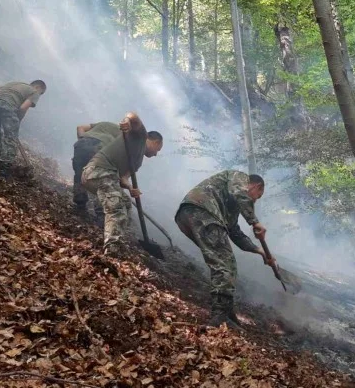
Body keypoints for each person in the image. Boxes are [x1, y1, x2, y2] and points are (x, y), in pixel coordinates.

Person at [174, 170, 273, 329]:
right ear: (256, 186)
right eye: (258, 196)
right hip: (203, 212)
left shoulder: (230, 206)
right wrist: (254, 222)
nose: (255, 201)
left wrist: (260, 251)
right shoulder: (239, 177)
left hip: (189, 216)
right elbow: (241, 194)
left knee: (222, 261)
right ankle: (219, 316)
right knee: (226, 264)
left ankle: (226, 312)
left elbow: (235, 233)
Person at [81, 112, 163, 255]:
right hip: (97, 171)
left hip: (108, 177)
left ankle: (112, 237)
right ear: (155, 142)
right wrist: (126, 121)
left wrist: (131, 188)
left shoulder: (137, 162)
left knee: (125, 204)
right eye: (158, 150)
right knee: (117, 207)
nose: (156, 154)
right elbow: (133, 116)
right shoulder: (140, 137)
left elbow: (123, 179)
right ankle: (112, 249)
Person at [0, 80, 46, 178]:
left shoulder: (13, 83)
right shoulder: (34, 92)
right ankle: (4, 168)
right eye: (41, 93)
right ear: (39, 88)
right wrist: (17, 121)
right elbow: (22, 108)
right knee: (10, 138)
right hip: (7, 107)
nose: (40, 95)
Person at [72, 121, 122, 218]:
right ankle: (100, 214)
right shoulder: (125, 136)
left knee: (80, 174)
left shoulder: (104, 124)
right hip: (100, 147)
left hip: (81, 144)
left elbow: (79, 127)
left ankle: (80, 204)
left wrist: (83, 140)